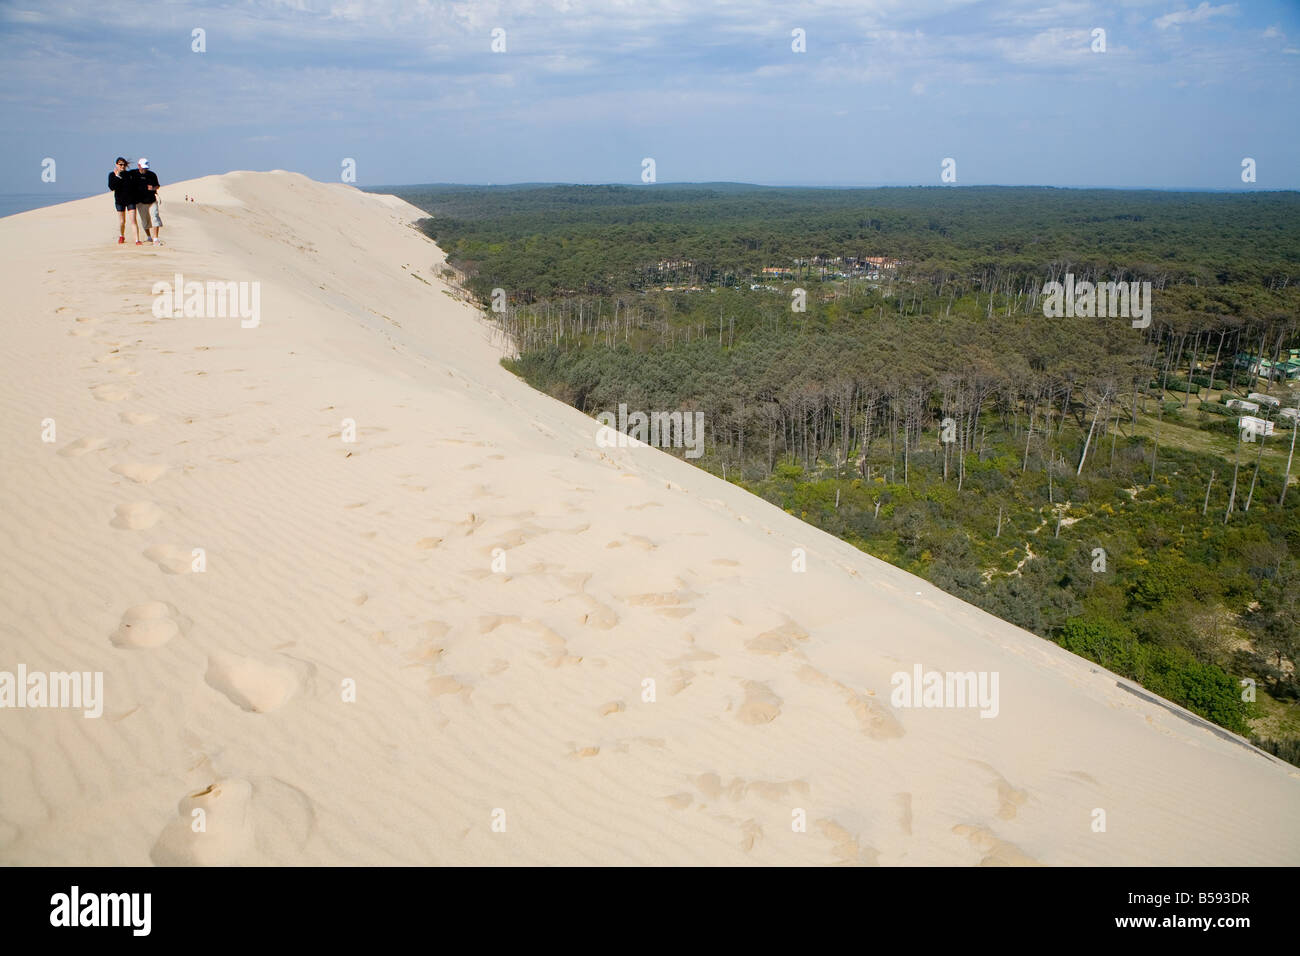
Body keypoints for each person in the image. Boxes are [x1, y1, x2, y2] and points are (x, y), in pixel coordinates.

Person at [107, 157, 141, 245]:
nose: (122, 166)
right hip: (119, 201)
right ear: (116, 165)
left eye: (124, 164)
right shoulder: (112, 175)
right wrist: (117, 176)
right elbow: (112, 187)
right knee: (122, 221)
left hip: (130, 200)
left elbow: (138, 175)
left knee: (133, 220)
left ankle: (137, 240)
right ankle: (121, 235)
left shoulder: (129, 174)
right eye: (120, 164)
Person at [133, 158, 163, 245]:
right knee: (145, 220)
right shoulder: (133, 174)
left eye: (146, 168)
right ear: (138, 166)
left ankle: (156, 239)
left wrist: (153, 188)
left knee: (155, 217)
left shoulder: (152, 175)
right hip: (140, 201)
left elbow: (157, 186)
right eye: (143, 168)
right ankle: (149, 237)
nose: (145, 170)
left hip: (152, 200)